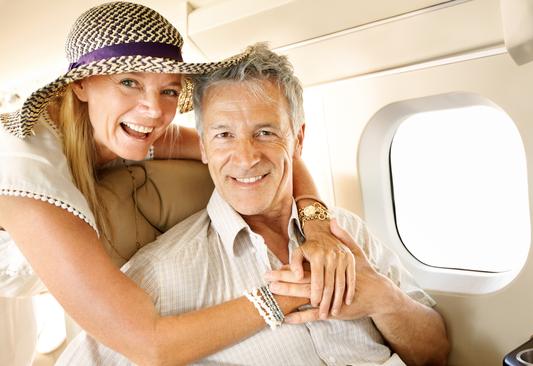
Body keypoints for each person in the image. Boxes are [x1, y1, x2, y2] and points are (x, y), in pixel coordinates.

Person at [0, 3, 355, 365]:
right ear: (81, 85)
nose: (154, 110)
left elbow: (274, 149)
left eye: (169, 90)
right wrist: (293, 291)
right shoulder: (26, 170)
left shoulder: (135, 129)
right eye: (129, 83)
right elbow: (150, 345)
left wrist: (318, 227)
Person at [58, 43, 450, 366]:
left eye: (265, 133)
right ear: (205, 148)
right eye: (224, 135)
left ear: (297, 140)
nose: (245, 158)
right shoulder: (161, 274)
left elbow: (435, 353)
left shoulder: (345, 232)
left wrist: (384, 299)